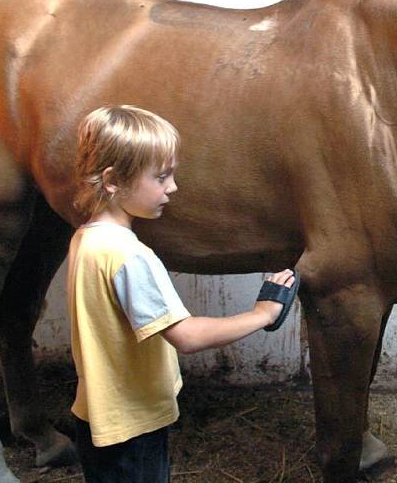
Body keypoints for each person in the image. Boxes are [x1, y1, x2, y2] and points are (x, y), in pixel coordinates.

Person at [67, 104, 299, 482]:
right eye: (161, 177)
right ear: (112, 181)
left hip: (95, 414)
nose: (172, 187)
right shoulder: (130, 256)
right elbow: (186, 337)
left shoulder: (85, 239)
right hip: (132, 425)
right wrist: (262, 314)